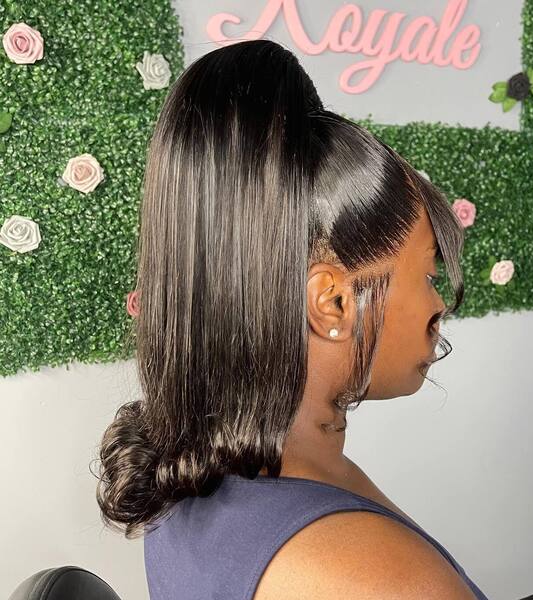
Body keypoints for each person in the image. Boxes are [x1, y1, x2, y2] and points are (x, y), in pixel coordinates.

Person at [93, 39, 488, 599]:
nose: (438, 304)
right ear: (332, 303)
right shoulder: (364, 577)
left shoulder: (198, 471)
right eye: (426, 273)